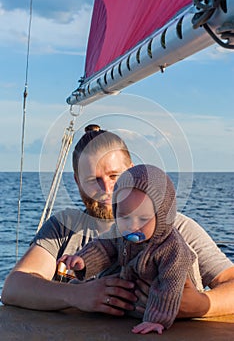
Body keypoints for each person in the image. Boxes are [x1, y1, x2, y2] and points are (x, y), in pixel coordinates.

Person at [2, 125, 234, 318]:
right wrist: (77, 295)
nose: (106, 190)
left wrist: (201, 305)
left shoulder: (176, 228)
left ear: (133, 173)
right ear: (77, 181)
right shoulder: (63, 227)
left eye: (114, 176)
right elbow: (13, 288)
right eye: (93, 180)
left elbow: (229, 281)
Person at [59, 164, 204, 334]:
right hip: (130, 292)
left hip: (162, 305)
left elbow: (169, 286)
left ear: (163, 216)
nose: (133, 226)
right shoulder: (119, 233)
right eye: (124, 217)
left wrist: (157, 320)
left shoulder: (171, 248)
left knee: (162, 292)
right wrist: (82, 260)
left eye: (143, 218)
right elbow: (103, 248)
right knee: (104, 275)